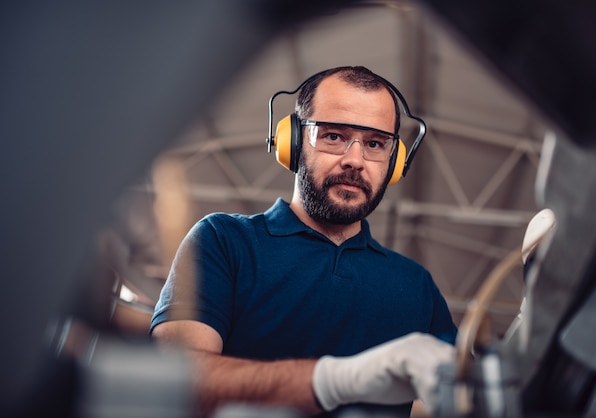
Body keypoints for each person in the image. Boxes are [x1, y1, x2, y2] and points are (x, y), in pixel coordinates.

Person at [150, 66, 458, 418]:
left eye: (374, 143)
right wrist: (333, 380)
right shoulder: (224, 241)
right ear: (291, 142)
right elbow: (173, 383)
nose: (355, 160)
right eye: (333, 136)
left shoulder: (417, 285)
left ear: (395, 161)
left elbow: (470, 398)